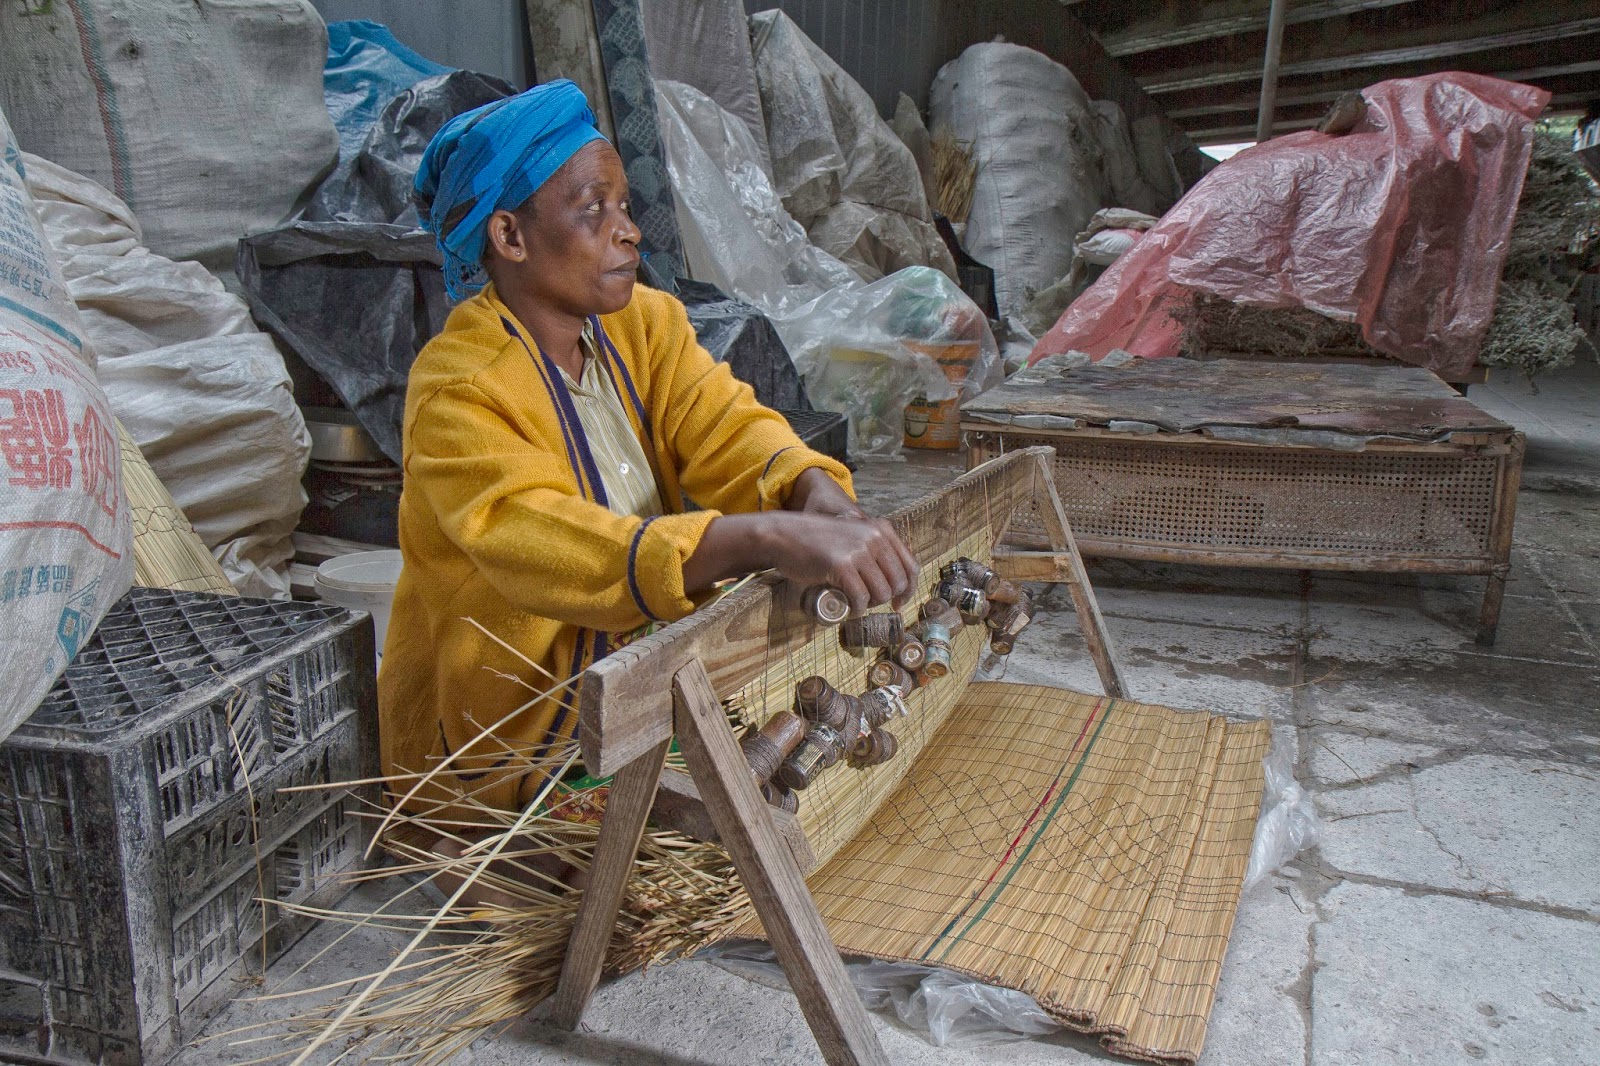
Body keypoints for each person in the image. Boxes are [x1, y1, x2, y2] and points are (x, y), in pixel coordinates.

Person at [378, 80, 919, 821]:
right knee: (732, 823)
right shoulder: (458, 390)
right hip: (523, 730)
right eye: (592, 209)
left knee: (792, 771)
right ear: (509, 237)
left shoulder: (644, 326)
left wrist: (812, 492)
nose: (627, 231)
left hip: (638, 668)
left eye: (625, 207)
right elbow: (543, 540)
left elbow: (726, 424)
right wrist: (756, 536)